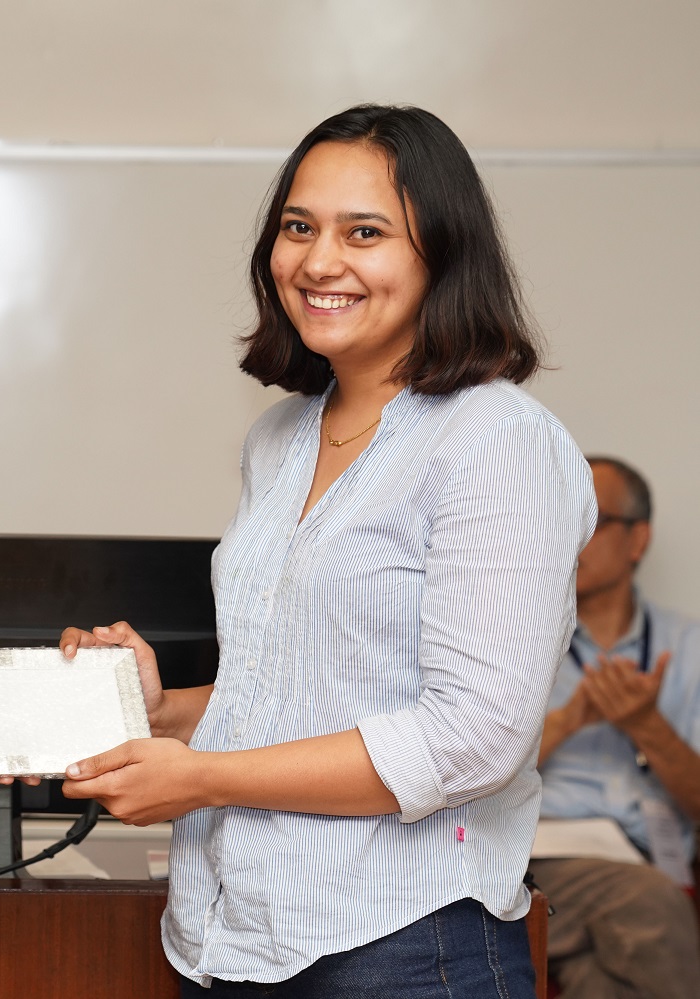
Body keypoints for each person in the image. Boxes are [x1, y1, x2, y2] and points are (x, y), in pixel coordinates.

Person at [59, 104, 595, 996]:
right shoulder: (279, 437)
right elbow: (312, 685)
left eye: (366, 232)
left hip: (403, 943)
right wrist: (169, 711)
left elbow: (472, 737)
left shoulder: (495, 440)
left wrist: (204, 778)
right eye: (298, 227)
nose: (318, 261)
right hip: (234, 935)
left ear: (442, 255)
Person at [532, 456, 700, 998]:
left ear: (637, 539)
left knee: (603, 984)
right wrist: (567, 720)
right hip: (543, 857)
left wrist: (648, 726)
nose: (568, 538)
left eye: (590, 520)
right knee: (647, 904)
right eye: (560, 519)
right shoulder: (516, 640)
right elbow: (458, 772)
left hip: (646, 853)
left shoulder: (690, 647)